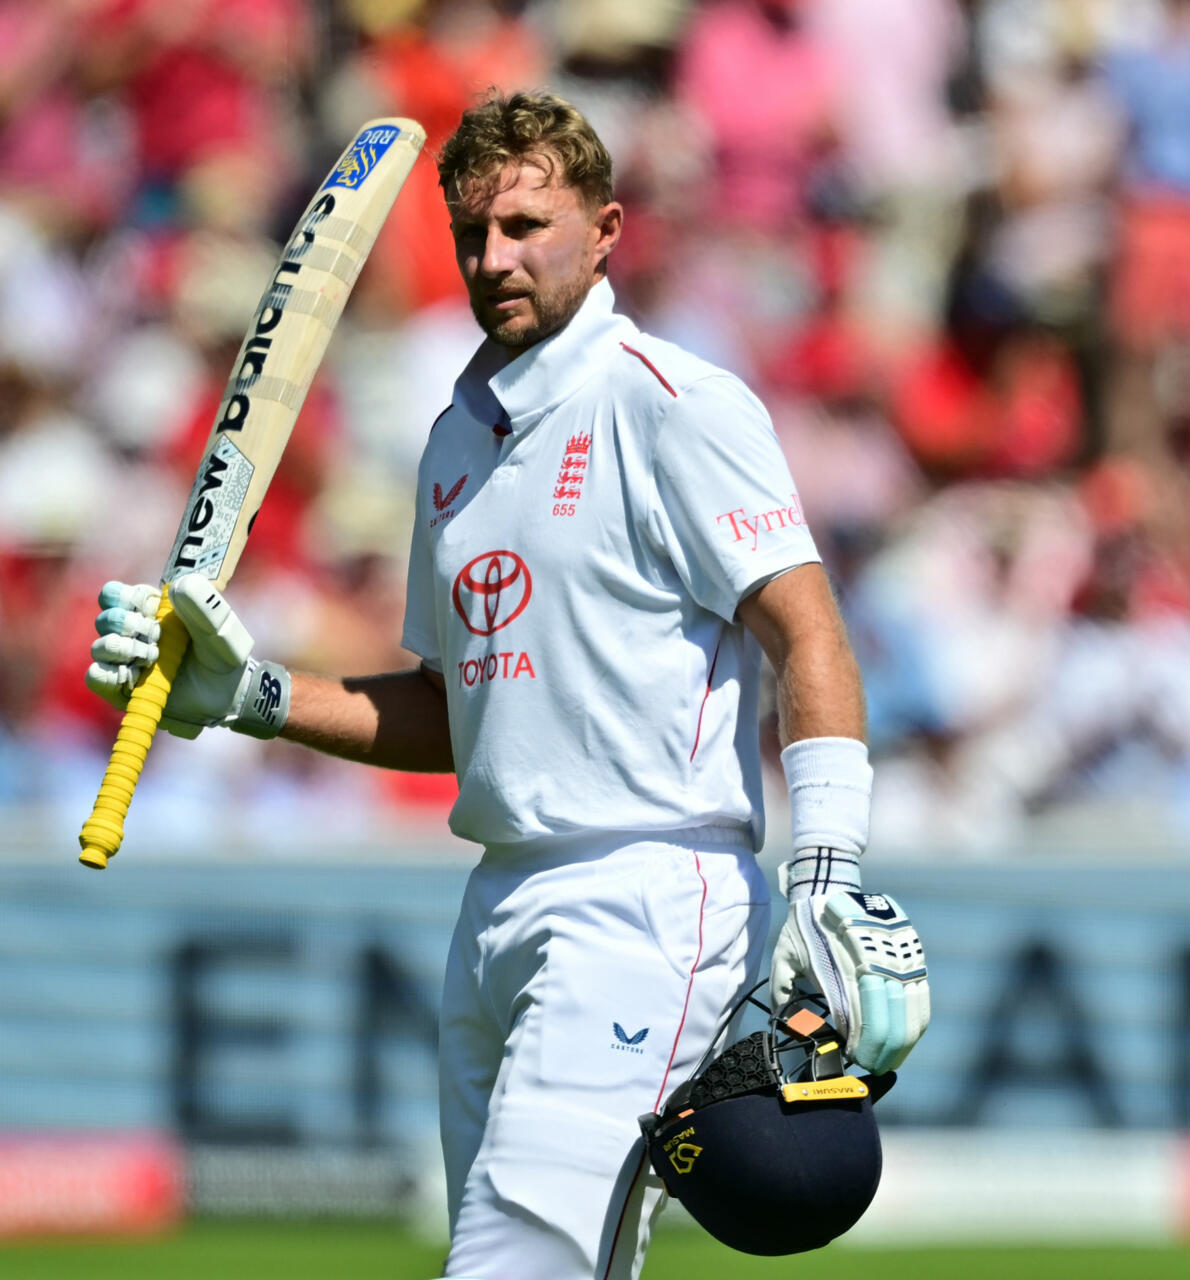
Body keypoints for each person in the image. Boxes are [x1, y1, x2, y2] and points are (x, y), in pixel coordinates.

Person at [86, 90, 930, 1280]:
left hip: (648, 893)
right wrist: (253, 695)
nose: (494, 259)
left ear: (605, 230)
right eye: (472, 233)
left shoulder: (669, 401)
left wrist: (827, 870)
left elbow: (808, 631)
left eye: (527, 226)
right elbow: (457, 711)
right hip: (494, 902)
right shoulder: (454, 440)